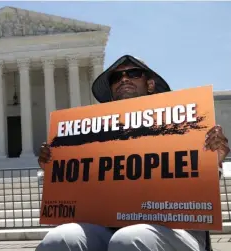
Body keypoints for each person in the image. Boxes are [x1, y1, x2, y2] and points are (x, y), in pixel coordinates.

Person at [36, 55, 230, 251]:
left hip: (176, 231)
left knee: (130, 238)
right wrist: (55, 168)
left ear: (150, 84)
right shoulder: (95, 137)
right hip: (110, 229)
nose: (124, 79)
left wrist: (213, 160)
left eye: (133, 73)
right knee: (60, 238)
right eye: (116, 78)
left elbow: (197, 181)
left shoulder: (186, 122)